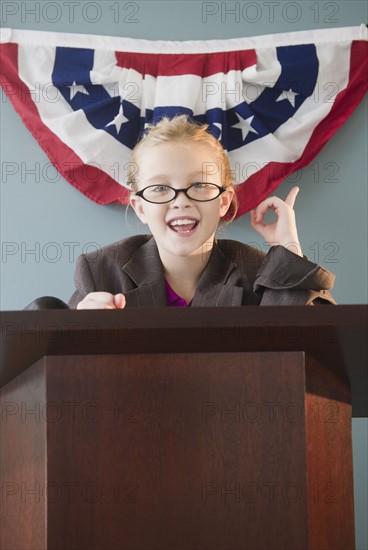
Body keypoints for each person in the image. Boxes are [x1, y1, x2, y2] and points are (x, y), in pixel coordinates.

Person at [69, 114, 336, 310]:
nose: (181, 201)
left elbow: (313, 346)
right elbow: (59, 367)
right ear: (140, 207)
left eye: (198, 185)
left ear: (223, 202)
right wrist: (83, 333)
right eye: (160, 188)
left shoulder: (260, 274)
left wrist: (288, 253)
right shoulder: (101, 272)